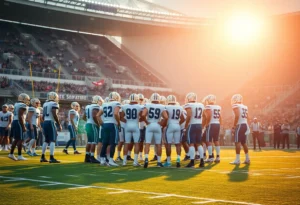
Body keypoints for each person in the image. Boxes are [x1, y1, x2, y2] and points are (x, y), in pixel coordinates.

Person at [142, 93, 168, 168]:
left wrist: (146, 122)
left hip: (150, 125)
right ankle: (159, 162)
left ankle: (146, 158)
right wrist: (161, 123)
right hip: (157, 125)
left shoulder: (147, 105)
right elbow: (166, 117)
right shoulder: (162, 106)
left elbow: (143, 115)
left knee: (147, 143)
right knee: (158, 144)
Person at [121, 94, 144, 166]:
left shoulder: (124, 106)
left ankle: (124, 161)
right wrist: (138, 120)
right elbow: (142, 115)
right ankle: (135, 161)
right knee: (137, 143)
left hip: (127, 125)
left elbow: (120, 117)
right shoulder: (139, 106)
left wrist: (126, 121)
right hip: (135, 125)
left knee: (126, 143)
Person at [99, 92, 121, 166]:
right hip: (112, 124)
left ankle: (102, 159)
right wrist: (118, 122)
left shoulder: (104, 104)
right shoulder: (116, 103)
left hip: (105, 124)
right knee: (113, 143)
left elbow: (97, 115)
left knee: (105, 143)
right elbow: (115, 113)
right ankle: (111, 160)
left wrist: (102, 123)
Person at [184, 92, 205, 168]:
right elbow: (205, 116)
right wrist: (202, 125)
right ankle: (202, 161)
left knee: (191, 144)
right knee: (198, 143)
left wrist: (186, 126)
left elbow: (189, 115)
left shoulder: (188, 105)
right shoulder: (201, 105)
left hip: (192, 125)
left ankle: (192, 162)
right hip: (199, 125)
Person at [40, 92, 62, 163]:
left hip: (45, 122)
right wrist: (59, 124)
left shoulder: (45, 104)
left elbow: (43, 116)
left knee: (46, 140)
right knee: (53, 140)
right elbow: (54, 113)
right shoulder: (54, 104)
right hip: (50, 122)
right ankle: (51, 157)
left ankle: (42, 157)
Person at [164, 95, 184, 167]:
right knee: (178, 144)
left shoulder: (166, 107)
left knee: (168, 144)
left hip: (170, 125)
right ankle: (178, 159)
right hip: (177, 125)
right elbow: (183, 118)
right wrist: (178, 123)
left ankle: (168, 161)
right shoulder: (179, 107)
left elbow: (165, 117)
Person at [8, 93, 30, 161]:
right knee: (20, 139)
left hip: (15, 121)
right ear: (23, 99)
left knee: (17, 139)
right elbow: (20, 116)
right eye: (26, 99)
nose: (27, 100)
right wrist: (23, 126)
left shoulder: (16, 104)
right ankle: (19, 155)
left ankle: (11, 154)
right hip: (19, 122)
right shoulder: (22, 105)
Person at [230, 94, 250, 165]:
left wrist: (234, 126)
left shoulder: (236, 106)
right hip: (245, 124)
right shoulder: (245, 106)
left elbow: (237, 116)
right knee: (243, 143)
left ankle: (237, 160)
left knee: (237, 142)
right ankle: (247, 159)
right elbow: (248, 117)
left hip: (240, 125)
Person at [83, 96, 102, 163]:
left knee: (89, 141)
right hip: (92, 125)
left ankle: (87, 157)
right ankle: (92, 157)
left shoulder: (88, 106)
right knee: (93, 142)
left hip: (88, 124)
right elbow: (94, 116)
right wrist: (98, 124)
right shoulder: (96, 106)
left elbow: (83, 117)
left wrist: (89, 120)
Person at [203, 94, 222, 163]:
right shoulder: (218, 107)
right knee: (216, 140)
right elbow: (220, 117)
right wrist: (220, 124)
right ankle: (218, 156)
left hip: (211, 124)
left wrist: (207, 124)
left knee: (209, 141)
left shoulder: (208, 106)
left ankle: (210, 157)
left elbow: (209, 116)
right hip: (217, 124)